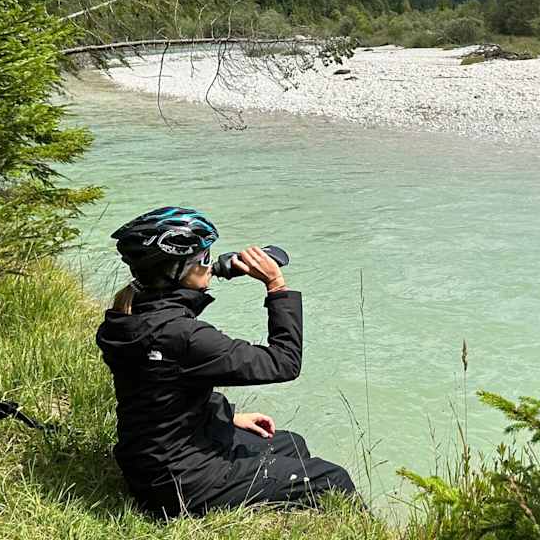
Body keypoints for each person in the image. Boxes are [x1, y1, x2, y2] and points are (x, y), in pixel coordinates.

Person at [95, 206, 356, 518]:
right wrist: (276, 286)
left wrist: (229, 416)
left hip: (150, 464)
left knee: (290, 444)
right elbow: (283, 362)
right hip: (184, 483)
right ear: (176, 270)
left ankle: (288, 508)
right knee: (333, 479)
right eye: (205, 258)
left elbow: (163, 385)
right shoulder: (184, 335)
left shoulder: (129, 316)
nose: (210, 262)